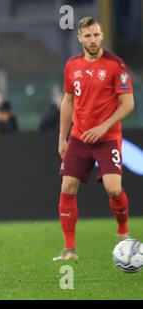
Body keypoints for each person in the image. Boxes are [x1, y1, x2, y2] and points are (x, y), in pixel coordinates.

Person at [53, 17, 134, 261]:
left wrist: (104, 127)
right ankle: (69, 249)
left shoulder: (116, 65)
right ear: (80, 38)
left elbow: (128, 104)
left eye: (96, 35)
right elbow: (68, 101)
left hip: (107, 138)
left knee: (113, 188)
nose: (93, 40)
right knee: (67, 187)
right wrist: (62, 137)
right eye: (87, 36)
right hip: (79, 137)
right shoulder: (72, 66)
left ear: (102, 36)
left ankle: (123, 233)